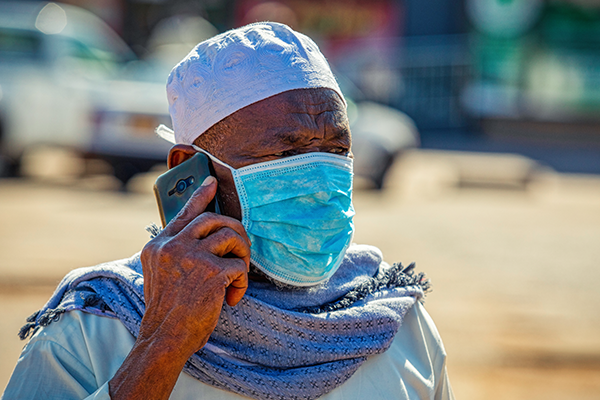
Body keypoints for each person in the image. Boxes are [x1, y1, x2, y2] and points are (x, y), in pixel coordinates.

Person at [3, 22, 454, 400]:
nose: (318, 183)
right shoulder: (96, 328)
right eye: (281, 156)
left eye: (336, 149)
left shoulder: (396, 324)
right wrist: (164, 342)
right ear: (191, 171)